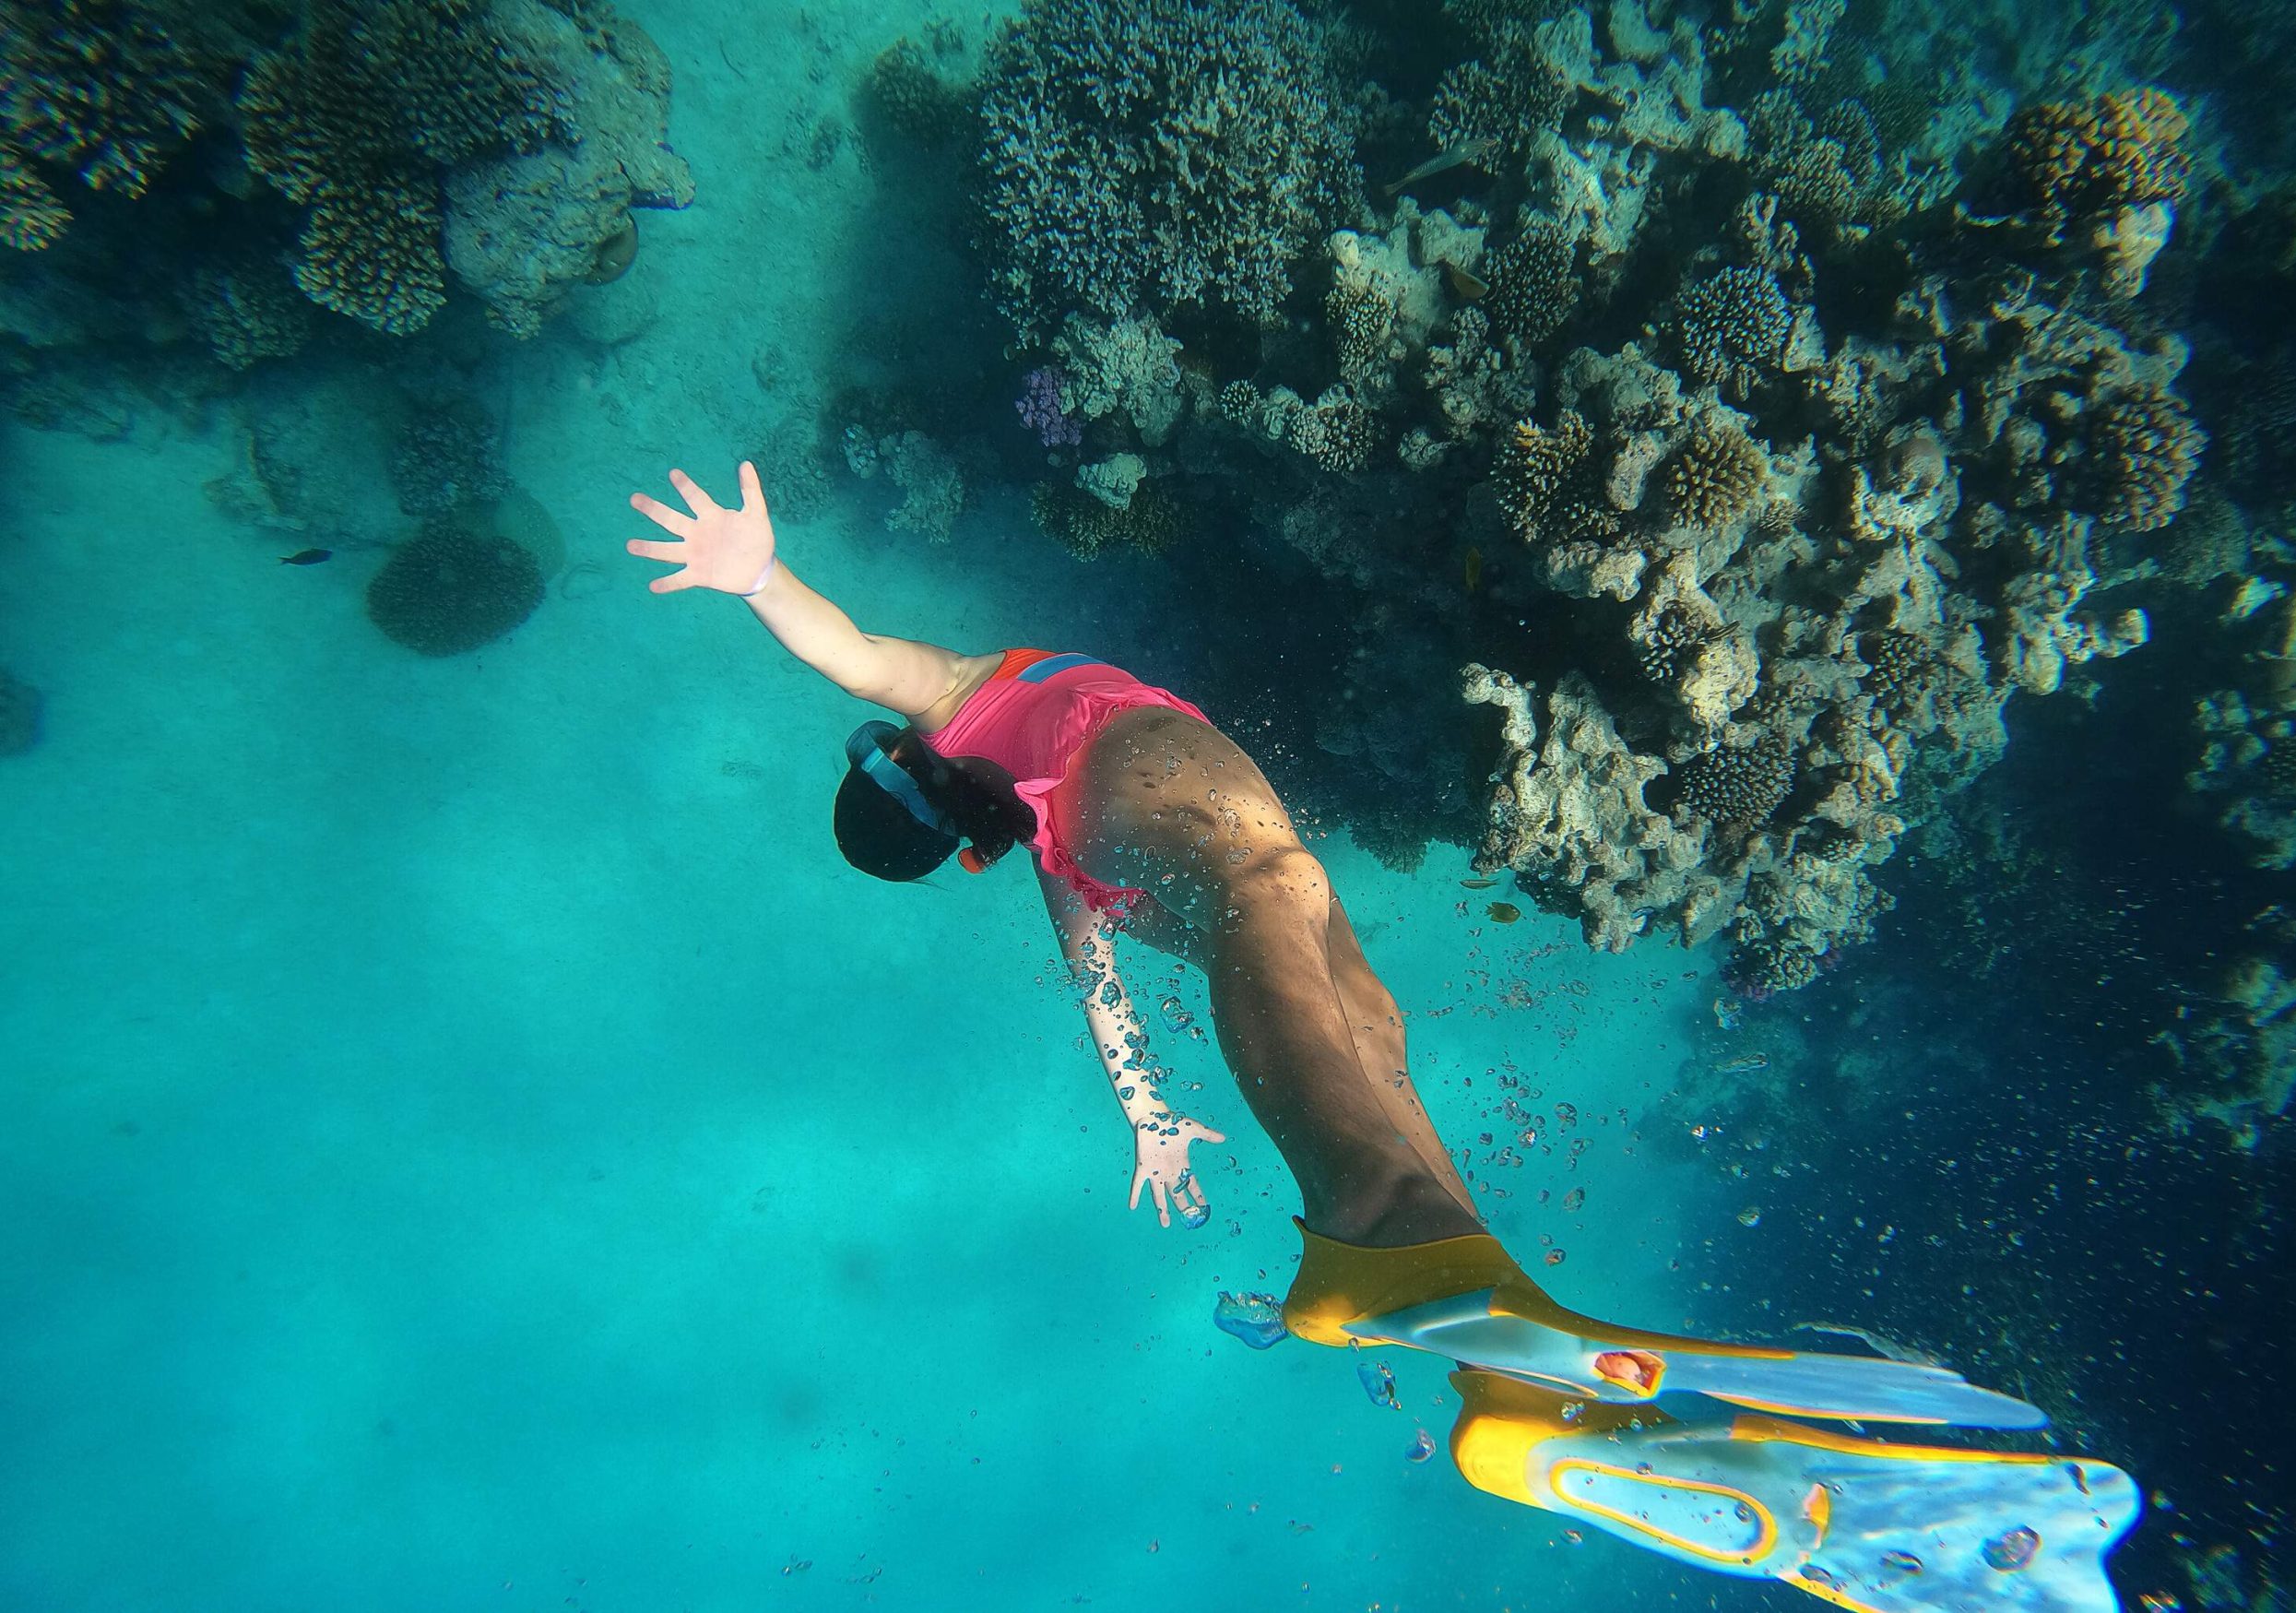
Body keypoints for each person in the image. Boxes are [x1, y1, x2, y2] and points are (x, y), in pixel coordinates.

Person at [629, 463, 2139, 1613]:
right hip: (1140, 767)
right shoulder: (962, 704)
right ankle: (1379, 1223)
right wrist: (764, 579)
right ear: (907, 765)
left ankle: (1484, 1303)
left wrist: (1147, 1116)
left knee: (1363, 1005)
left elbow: (1095, 981)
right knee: (1265, 894)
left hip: (1131, 824)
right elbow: (849, 649)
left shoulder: (1038, 855)